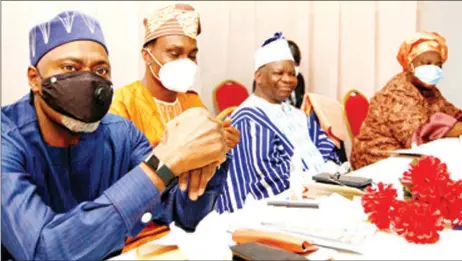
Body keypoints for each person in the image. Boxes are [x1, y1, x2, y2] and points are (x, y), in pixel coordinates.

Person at [1, 11, 230, 260]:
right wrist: (160, 167)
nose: (88, 80)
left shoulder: (121, 134)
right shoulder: (8, 139)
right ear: (34, 79)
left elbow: (182, 214)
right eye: (69, 67)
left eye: (100, 71)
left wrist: (208, 159)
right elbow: (44, 251)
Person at [108, 3, 240, 251]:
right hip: (138, 235)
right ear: (147, 57)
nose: (186, 62)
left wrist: (219, 146)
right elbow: (126, 183)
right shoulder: (122, 104)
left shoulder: (192, 102)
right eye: (174, 53)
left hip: (189, 224)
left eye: (191, 55)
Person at [216, 32, 346, 213]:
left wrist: (329, 171)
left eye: (292, 74)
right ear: (259, 76)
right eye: (279, 73)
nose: (287, 79)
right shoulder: (249, 118)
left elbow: (325, 145)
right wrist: (313, 179)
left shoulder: (296, 114)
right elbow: (263, 178)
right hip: (273, 209)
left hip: (315, 194)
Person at [350, 31, 462, 170]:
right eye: (427, 63)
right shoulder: (396, 92)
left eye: (438, 65)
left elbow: (453, 114)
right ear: (410, 65)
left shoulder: (430, 91)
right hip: (378, 160)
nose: (433, 69)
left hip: (405, 156)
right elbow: (423, 133)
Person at [252, 40, 305, 108]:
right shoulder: (263, 79)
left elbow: (300, 103)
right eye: (279, 73)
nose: (288, 79)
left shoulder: (299, 78)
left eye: (297, 64)